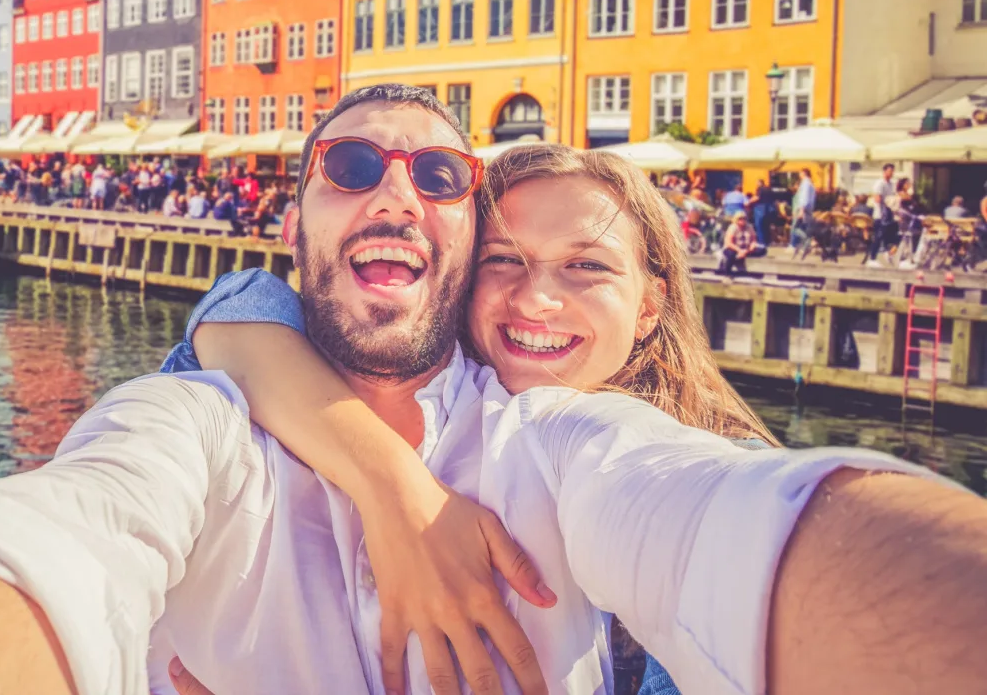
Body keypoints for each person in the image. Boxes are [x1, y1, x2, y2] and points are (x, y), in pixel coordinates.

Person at [0, 85, 987, 695]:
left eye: (438, 178)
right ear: (294, 220)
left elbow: (720, 513)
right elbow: (53, 538)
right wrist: (390, 488)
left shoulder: (561, 434)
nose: (394, 192)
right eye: (351, 163)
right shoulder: (205, 412)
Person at [160, 142, 780, 695]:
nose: (537, 298)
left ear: (649, 307)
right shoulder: (434, 415)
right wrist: (397, 487)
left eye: (588, 265)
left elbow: (752, 541)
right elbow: (248, 300)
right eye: (503, 259)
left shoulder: (697, 465)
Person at [866, 164, 897, 266]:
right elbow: (877, 198)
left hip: (889, 214)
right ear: (884, 171)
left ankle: (886, 253)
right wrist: (887, 201)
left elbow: (893, 197)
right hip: (880, 215)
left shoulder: (891, 184)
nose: (891, 173)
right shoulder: (879, 183)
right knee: (878, 236)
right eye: (889, 171)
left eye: (892, 171)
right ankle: (872, 258)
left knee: (890, 236)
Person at [719, 211, 762, 276]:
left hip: (746, 249)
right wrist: (739, 251)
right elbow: (729, 243)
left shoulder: (749, 226)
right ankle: (727, 274)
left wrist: (751, 247)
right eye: (740, 219)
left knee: (762, 250)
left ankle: (741, 257)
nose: (742, 220)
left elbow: (753, 239)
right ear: (736, 219)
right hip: (733, 248)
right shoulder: (733, 227)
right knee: (731, 254)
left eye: (744, 218)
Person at [790, 169, 817, 249]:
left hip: (803, 208)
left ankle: (808, 241)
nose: (799, 175)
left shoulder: (805, 184)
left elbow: (804, 197)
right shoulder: (810, 184)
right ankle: (805, 245)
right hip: (808, 208)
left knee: (795, 228)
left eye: (800, 173)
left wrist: (801, 209)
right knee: (804, 227)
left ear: (804, 173)